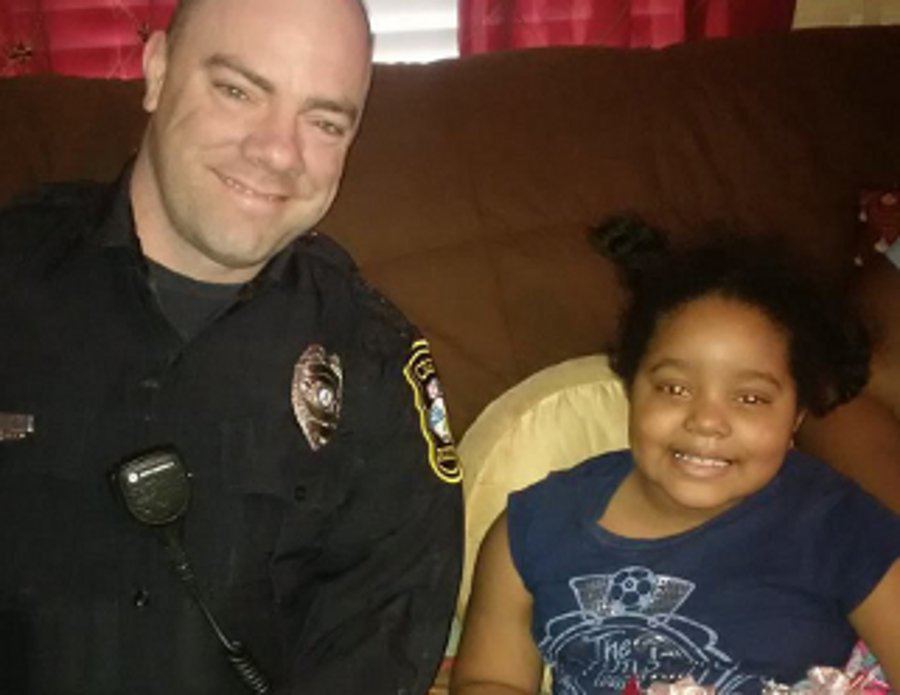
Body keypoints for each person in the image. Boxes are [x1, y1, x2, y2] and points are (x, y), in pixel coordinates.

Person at [0, 0, 463, 692]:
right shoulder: (13, 281)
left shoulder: (376, 369)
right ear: (157, 71)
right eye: (238, 90)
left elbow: (376, 654)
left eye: (324, 121)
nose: (278, 152)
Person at [450, 236, 900, 695]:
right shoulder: (533, 531)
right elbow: (490, 679)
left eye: (750, 398)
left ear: (796, 417)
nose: (706, 421)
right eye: (674, 389)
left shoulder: (840, 524)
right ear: (631, 387)